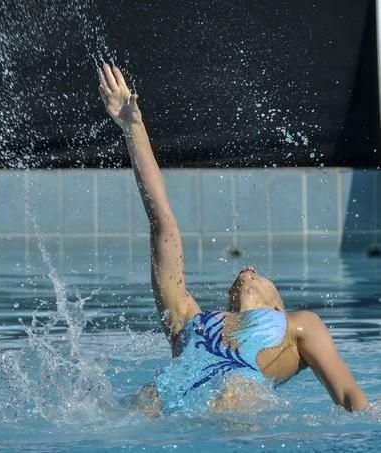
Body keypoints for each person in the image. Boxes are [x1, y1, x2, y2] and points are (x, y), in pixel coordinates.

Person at [97, 63, 368, 415]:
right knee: (148, 397)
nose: (250, 268)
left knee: (235, 390)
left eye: (264, 276)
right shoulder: (186, 319)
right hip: (163, 404)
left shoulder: (298, 325)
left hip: (236, 403)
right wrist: (133, 128)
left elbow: (350, 398)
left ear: (277, 307)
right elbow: (163, 225)